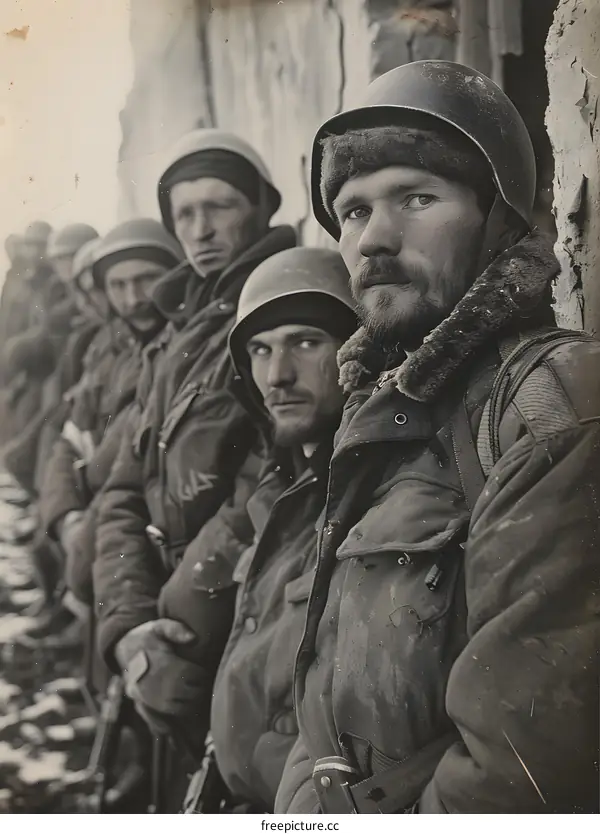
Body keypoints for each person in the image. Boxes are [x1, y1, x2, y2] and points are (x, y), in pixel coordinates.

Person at [275, 60, 600, 815]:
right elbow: (323, 696)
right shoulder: (382, 417)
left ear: (498, 222)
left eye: (416, 199)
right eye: (353, 212)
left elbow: (517, 773)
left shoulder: (552, 403)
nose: (375, 239)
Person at [93, 130, 296, 804]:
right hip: (167, 631)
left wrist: (173, 628)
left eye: (220, 206)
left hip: (235, 623)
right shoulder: (177, 330)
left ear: (262, 207)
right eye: (183, 213)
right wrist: (128, 631)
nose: (200, 229)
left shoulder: (281, 307)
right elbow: (123, 488)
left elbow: (275, 478)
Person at [154, 248, 357, 813]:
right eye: (260, 351)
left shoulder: (370, 494)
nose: (277, 375)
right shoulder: (274, 490)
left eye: (306, 342)